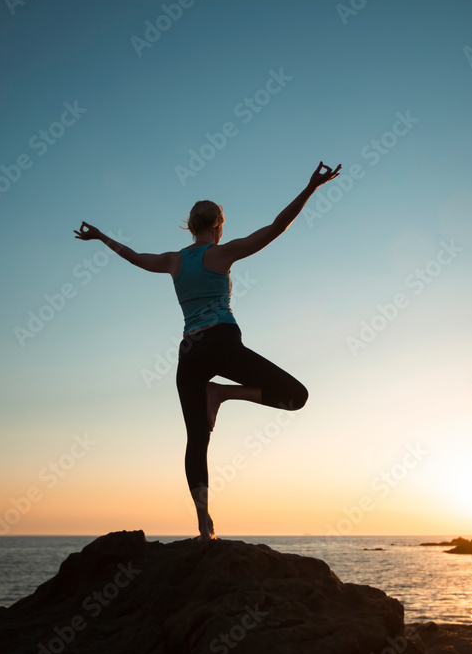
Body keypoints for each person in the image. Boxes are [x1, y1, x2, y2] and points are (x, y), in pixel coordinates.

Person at [73, 161, 342, 542]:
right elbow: (277, 227)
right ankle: (224, 393)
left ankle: (204, 526)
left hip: (189, 354)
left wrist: (101, 237)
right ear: (218, 225)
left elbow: (132, 256)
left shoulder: (174, 261)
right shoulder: (222, 254)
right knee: (296, 397)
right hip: (222, 342)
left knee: (196, 440)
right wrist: (312, 186)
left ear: (190, 225)